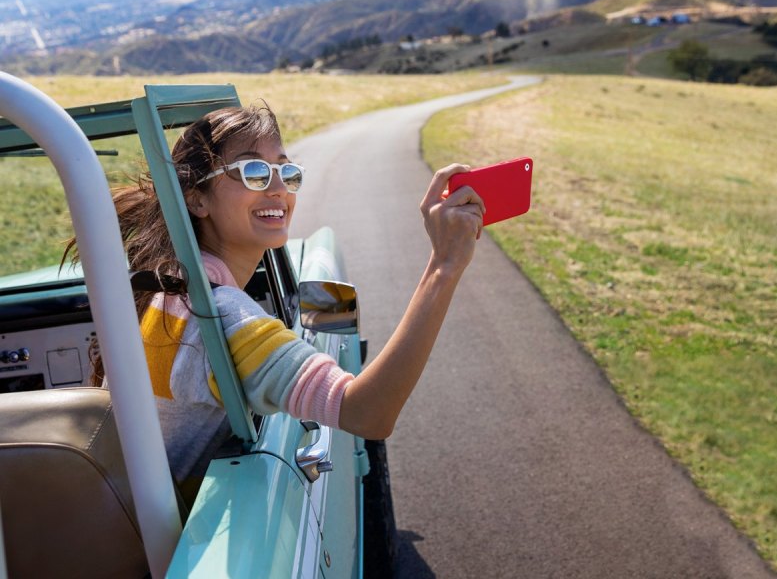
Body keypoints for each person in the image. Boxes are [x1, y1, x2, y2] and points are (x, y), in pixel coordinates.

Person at [64, 102, 484, 498]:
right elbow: (369, 414)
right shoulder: (221, 318)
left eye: (287, 172)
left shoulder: (165, 284)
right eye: (253, 172)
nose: (279, 189)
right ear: (196, 198)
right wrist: (444, 266)